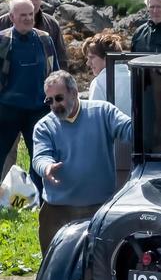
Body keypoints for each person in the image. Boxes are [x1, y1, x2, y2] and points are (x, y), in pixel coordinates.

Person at [31, 71, 132, 249]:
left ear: (74, 93)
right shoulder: (44, 126)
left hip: (98, 209)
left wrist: (148, 121)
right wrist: (46, 167)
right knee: (55, 269)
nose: (55, 105)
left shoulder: (103, 112)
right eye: (49, 100)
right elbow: (40, 156)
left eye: (59, 98)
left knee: (97, 266)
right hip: (57, 211)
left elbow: (128, 129)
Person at [0, 0, 63, 196]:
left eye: (30, 14)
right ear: (12, 17)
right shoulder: (2, 40)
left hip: (38, 110)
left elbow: (55, 73)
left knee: (41, 156)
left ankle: (43, 199)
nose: (28, 18)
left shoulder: (45, 38)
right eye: (23, 15)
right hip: (6, 110)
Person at [0, 0, 69, 71]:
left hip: (42, 82)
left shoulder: (51, 25)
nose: (34, 2)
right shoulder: (3, 23)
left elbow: (61, 59)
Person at [84, 32, 132, 118]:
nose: (88, 63)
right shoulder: (135, 78)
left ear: (106, 58)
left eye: (91, 57)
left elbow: (95, 118)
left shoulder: (99, 83)